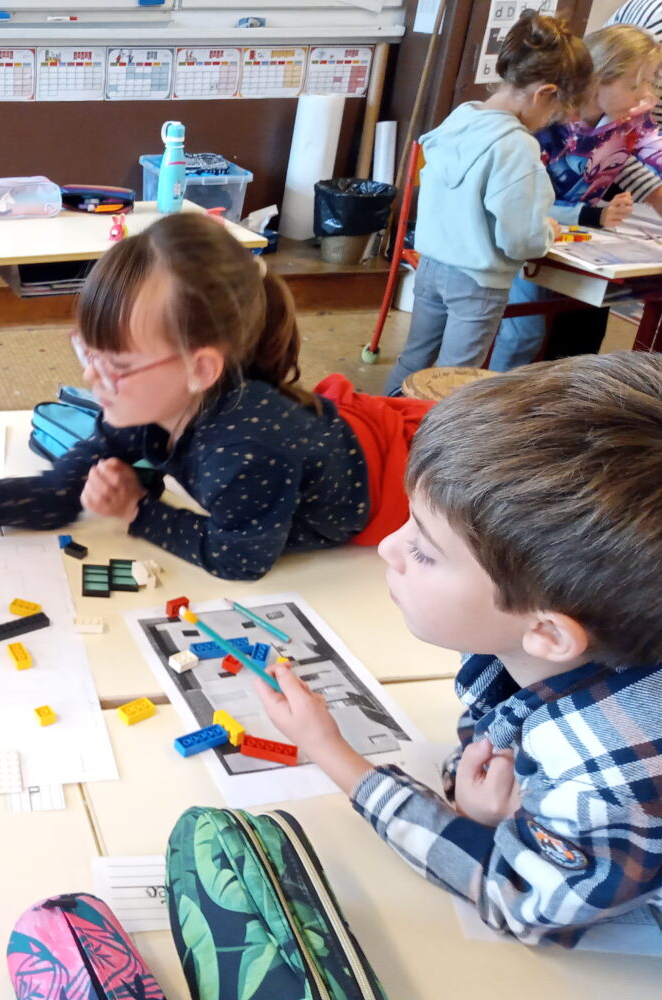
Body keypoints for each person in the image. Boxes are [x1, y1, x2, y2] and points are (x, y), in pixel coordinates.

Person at [255, 353, 662, 946]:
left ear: (548, 632)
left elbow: (517, 896)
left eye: (424, 550)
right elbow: (493, 740)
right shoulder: (539, 643)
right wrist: (488, 806)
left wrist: (333, 752)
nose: (390, 549)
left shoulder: (609, 781)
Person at [0, 213, 432, 580]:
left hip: (415, 485)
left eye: (116, 365)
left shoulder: (244, 446)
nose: (95, 382)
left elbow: (240, 560)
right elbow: (54, 498)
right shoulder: (141, 408)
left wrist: (137, 512)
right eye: (87, 354)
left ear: (200, 367)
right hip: (335, 437)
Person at [384, 10, 592, 394]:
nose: (549, 121)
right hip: (478, 281)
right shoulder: (517, 146)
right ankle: (433, 449)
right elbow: (521, 239)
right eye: (555, 111)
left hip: (430, 266)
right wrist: (547, 231)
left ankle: (385, 425)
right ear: (544, 93)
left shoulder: (460, 118)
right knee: (455, 380)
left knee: (413, 360)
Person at [492, 24, 662, 370]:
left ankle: (561, 401)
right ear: (600, 79)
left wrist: (593, 216)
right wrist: (590, 215)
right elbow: (520, 205)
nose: (648, 97)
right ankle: (497, 407)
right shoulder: (548, 125)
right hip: (527, 236)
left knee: (586, 326)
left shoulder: (628, 117)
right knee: (523, 333)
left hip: (573, 240)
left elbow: (653, 150)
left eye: (651, 82)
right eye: (636, 84)